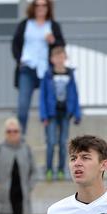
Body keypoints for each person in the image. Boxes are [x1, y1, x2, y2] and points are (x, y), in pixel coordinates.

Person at [12, 0, 65, 134]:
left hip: (46, 70)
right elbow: (15, 44)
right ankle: (20, 140)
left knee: (49, 105)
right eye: (38, 5)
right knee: (23, 106)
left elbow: (61, 45)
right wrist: (20, 60)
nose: (41, 8)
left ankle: (51, 139)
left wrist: (53, 41)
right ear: (33, 7)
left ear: (48, 7)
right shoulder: (25, 24)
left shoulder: (52, 25)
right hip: (27, 68)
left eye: (44, 5)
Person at [39, 45, 82, 181]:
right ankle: (49, 169)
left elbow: (74, 94)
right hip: (51, 114)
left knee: (63, 143)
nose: (59, 60)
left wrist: (77, 113)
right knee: (51, 142)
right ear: (52, 59)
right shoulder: (48, 75)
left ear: (65, 58)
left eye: (61, 57)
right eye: (56, 57)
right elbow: (43, 96)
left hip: (65, 114)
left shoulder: (69, 74)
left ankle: (61, 169)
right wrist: (43, 115)